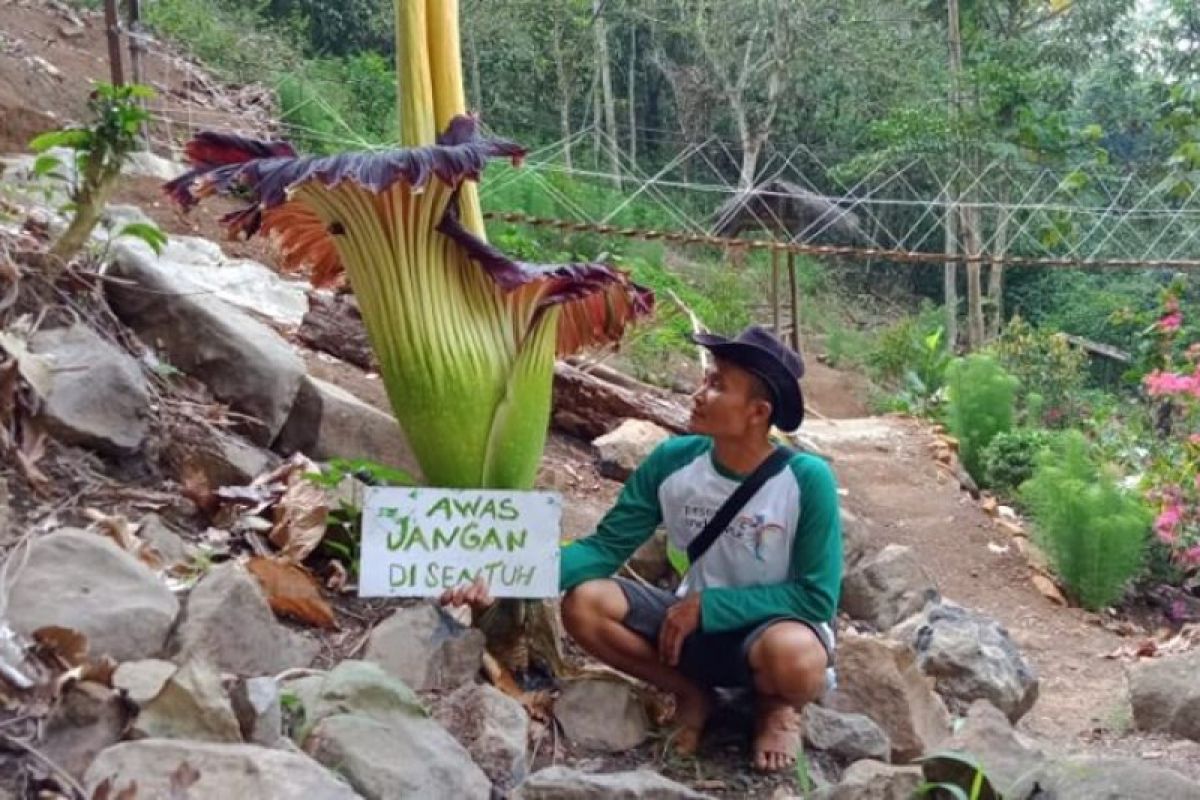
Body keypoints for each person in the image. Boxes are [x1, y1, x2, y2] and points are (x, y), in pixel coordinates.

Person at [442, 325, 843, 773]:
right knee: (586, 603)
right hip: (687, 628)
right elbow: (605, 548)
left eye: (716, 385)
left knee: (798, 659)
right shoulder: (673, 461)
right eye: (705, 379)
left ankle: (776, 709)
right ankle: (691, 693)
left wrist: (709, 607)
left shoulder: (806, 480)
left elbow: (816, 597)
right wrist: (507, 575)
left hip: (766, 633)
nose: (698, 392)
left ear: (757, 412)